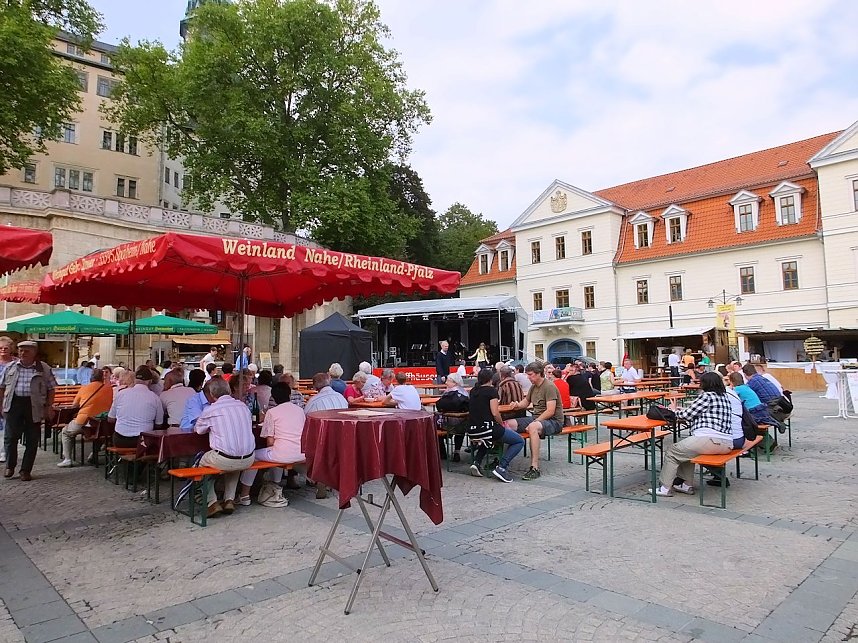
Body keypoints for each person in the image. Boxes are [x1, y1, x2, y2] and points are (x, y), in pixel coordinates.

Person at [654, 372, 734, 496]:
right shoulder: (725, 397)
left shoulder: (706, 396)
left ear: (706, 384)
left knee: (672, 451)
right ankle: (686, 485)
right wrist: (679, 410)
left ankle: (665, 488)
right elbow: (699, 411)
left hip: (710, 439)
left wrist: (673, 411)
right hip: (727, 443)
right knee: (685, 450)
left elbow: (687, 415)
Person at [194, 377, 256, 518]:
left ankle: (211, 502)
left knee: (199, 464)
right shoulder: (243, 406)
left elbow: (198, 430)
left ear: (212, 394)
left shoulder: (211, 410)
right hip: (248, 458)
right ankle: (229, 499)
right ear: (228, 390)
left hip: (224, 459)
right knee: (234, 463)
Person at [237, 382, 305, 507]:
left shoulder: (272, 412)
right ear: (289, 395)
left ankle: (244, 495)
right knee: (275, 451)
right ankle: (275, 485)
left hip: (282, 454)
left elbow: (270, 441)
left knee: (254, 456)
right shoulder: (300, 410)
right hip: (302, 453)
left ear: (273, 397)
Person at [0, 340, 56, 481]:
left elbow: (51, 389)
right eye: (21, 350)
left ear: (34, 352)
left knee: (32, 439)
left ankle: (25, 470)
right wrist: (1, 405)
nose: (23, 353)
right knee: (10, 437)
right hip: (14, 404)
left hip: (34, 405)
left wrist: (49, 406)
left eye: (26, 351)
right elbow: (1, 387)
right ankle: (10, 466)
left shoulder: (43, 368)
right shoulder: (10, 367)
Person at [503, 362, 564, 480]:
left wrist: (534, 422)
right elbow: (525, 403)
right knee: (507, 424)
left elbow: (550, 411)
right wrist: (516, 404)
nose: (528, 377)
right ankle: (502, 461)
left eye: (530, 375)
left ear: (539, 373)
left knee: (533, 427)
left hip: (554, 421)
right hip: (537, 418)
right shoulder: (533, 386)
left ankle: (534, 467)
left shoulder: (549, 386)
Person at [466, 369, 525, 482]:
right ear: (490, 379)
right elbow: (495, 413)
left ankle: (476, 462)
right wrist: (501, 423)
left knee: (488, 440)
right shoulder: (491, 391)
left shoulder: (474, 390)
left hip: (472, 429)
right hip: (487, 428)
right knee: (519, 441)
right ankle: (502, 467)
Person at [57, 367, 113, 467]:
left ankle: (67, 459)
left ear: (91, 377)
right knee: (101, 435)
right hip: (101, 423)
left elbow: (75, 405)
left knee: (66, 432)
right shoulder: (109, 389)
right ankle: (93, 455)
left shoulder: (84, 388)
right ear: (102, 378)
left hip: (84, 421)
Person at [108, 366, 164, 448]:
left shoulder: (121, 394)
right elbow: (159, 424)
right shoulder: (155, 398)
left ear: (135, 380)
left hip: (120, 440)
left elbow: (110, 419)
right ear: (150, 381)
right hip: (142, 441)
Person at [742, 364, 789, 432]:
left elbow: (744, 394)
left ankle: (758, 437)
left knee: (748, 417)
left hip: (774, 411)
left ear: (744, 374)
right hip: (782, 407)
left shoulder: (752, 382)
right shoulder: (762, 378)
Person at [0, 336, 15, 463]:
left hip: (9, 399)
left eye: (6, 348)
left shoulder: (16, 363)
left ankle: (4, 452)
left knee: (7, 427)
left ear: (11, 349)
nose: (3, 350)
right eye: (0, 348)